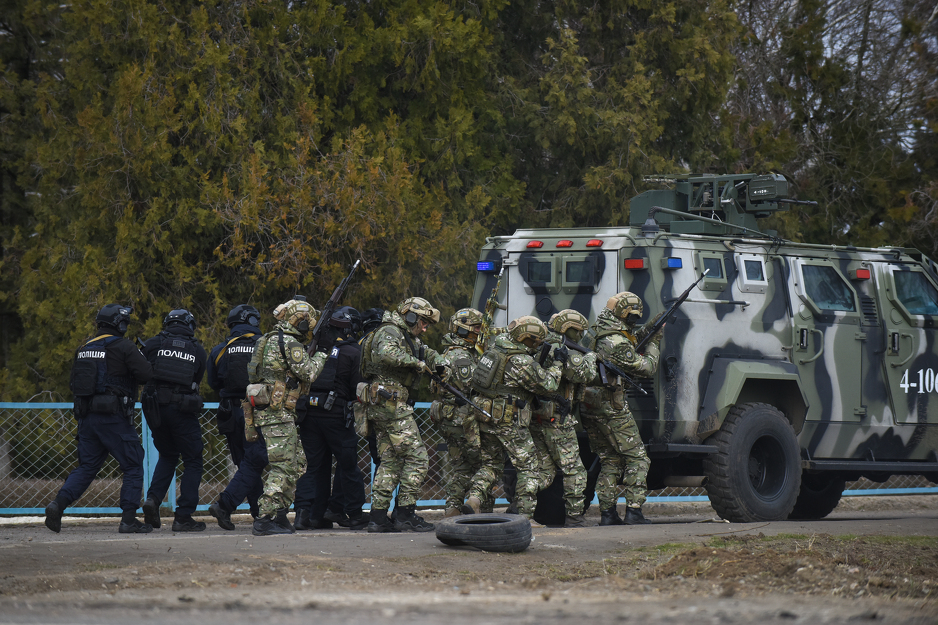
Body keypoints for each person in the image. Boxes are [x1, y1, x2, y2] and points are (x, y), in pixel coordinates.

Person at [45, 304, 154, 534]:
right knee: (133, 464)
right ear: (119, 324)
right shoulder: (124, 346)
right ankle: (128, 520)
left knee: (87, 467)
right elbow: (146, 374)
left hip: (87, 418)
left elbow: (75, 383)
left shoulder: (84, 347)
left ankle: (57, 505)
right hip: (113, 418)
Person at [465, 316, 564, 524]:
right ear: (526, 337)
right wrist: (558, 364)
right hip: (509, 419)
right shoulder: (520, 360)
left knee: (491, 464)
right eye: (536, 341)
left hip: (484, 414)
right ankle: (525, 517)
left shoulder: (494, 351)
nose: (537, 345)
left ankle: (474, 498)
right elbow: (549, 385)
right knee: (528, 468)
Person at [358, 297, 445, 532]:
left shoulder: (406, 336)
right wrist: (416, 364)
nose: (425, 328)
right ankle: (405, 514)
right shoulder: (390, 331)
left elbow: (428, 353)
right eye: (423, 322)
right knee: (418, 458)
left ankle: (378, 517)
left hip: (387, 405)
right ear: (411, 316)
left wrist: (442, 364)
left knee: (391, 461)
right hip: (391, 405)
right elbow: (386, 353)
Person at [247, 299, 329, 536]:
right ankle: (264, 518)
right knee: (283, 467)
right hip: (278, 414)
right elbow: (309, 372)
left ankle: (280, 514)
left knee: (297, 463)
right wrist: (322, 353)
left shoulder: (270, 339)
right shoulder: (289, 343)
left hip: (274, 412)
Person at [580, 292, 661, 525]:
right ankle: (634, 511)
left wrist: (650, 329)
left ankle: (608, 514)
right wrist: (655, 342)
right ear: (628, 315)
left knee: (610, 460)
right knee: (638, 459)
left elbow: (630, 340)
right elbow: (647, 367)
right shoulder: (617, 343)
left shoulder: (597, 331)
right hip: (611, 407)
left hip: (589, 405)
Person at [293, 306, 368, 531]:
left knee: (314, 467)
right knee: (348, 466)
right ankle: (355, 514)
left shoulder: (313, 350)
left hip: (308, 414)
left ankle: (307, 515)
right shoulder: (353, 352)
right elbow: (357, 388)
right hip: (336, 415)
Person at [140, 309, 208, 532]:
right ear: (190, 325)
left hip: (155, 410)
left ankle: (153, 500)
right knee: (193, 460)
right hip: (183, 410)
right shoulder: (197, 350)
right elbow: (197, 379)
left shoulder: (153, 344)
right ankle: (183, 516)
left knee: (168, 455)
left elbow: (140, 371)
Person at [528, 309, 596, 527]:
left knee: (544, 471)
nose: (581, 335)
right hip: (557, 420)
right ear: (568, 329)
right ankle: (574, 517)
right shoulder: (561, 349)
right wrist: (591, 357)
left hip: (537, 417)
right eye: (578, 331)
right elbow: (584, 374)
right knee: (574, 469)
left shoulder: (538, 345)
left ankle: (521, 509)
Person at [206, 304, 267, 530]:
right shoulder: (264, 346)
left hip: (229, 412)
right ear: (252, 321)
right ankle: (225, 504)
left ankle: (259, 513)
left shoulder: (220, 349)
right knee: (256, 460)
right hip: (255, 410)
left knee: (246, 463)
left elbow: (213, 383)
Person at [430, 308, 493, 517]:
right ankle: (481, 509)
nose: (479, 332)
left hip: (451, 419)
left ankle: (452, 510)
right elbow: (474, 385)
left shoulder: (447, 353)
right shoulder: (461, 356)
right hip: (463, 420)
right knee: (484, 464)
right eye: (476, 328)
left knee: (462, 468)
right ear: (463, 329)